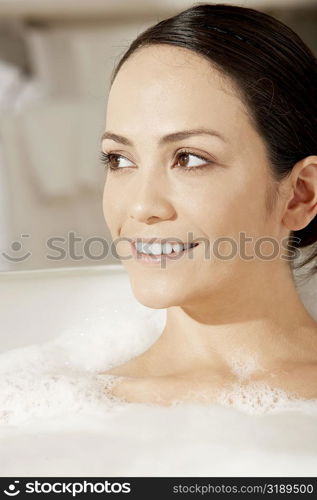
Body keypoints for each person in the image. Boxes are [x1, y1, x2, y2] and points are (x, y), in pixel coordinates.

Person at [99, 3, 317, 406]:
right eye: (119, 159)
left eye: (190, 158)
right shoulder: (71, 410)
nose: (142, 206)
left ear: (301, 193)